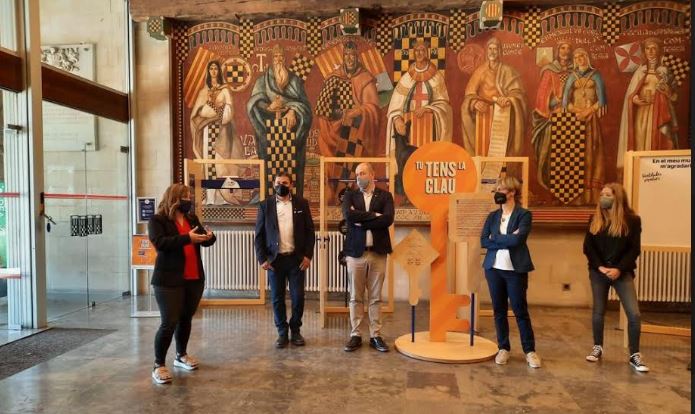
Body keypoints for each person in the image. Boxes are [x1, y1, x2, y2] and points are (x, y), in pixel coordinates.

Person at [148, 183, 216, 384]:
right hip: (168, 280)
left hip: (194, 277)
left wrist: (210, 237)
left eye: (189, 196)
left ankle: (181, 355)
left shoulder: (191, 218)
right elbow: (160, 243)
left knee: (186, 318)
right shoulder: (157, 220)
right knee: (169, 322)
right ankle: (158, 364)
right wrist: (187, 238)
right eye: (185, 196)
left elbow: (202, 240)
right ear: (174, 198)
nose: (189, 200)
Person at [582, 182, 649, 372]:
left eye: (608, 195)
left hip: (622, 272)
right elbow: (588, 247)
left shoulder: (633, 221)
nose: (603, 198)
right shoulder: (594, 219)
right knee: (598, 311)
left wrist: (619, 269)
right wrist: (600, 267)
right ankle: (597, 347)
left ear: (617, 198)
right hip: (599, 272)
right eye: (602, 194)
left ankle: (635, 354)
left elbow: (634, 249)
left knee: (634, 314)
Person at [480, 176, 541, 368]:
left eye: (501, 189)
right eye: (497, 189)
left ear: (512, 192)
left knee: (520, 310)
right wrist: (507, 238)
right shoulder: (492, 216)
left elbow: (518, 240)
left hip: (515, 271)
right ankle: (503, 348)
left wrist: (496, 238)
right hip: (494, 269)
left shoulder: (524, 215)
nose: (497, 193)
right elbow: (484, 241)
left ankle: (530, 351)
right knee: (499, 311)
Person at [254, 172, 315, 348]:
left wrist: (308, 256)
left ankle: (295, 330)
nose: (281, 185)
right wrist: (262, 259)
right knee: (277, 298)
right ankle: (282, 332)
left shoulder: (301, 204)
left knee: (298, 297)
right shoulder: (265, 205)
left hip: (296, 259)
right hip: (275, 261)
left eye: (285, 182)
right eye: (278, 182)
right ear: (274, 185)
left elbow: (310, 231)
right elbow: (258, 235)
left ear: (291, 185)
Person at [386, 39, 452, 197]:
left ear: (427, 52)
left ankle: (427, 195)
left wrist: (428, 108)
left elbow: (445, 105)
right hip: (409, 131)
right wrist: (397, 119)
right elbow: (394, 106)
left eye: (423, 50)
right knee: (407, 163)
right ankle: (408, 194)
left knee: (428, 162)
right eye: (417, 51)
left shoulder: (436, 77)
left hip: (430, 130)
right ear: (413, 54)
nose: (420, 53)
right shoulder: (406, 78)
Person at [247, 44, 313, 198]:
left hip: (292, 135)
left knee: (292, 171)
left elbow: (306, 107)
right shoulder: (263, 80)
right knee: (270, 171)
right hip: (269, 135)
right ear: (272, 59)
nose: (278, 59)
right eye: (276, 56)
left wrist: (293, 110)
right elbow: (253, 103)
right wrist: (268, 107)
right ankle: (270, 202)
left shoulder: (295, 81)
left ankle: (294, 202)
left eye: (281, 56)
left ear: (284, 59)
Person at [342, 163, 394, 353]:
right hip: (355, 253)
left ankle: (375, 335)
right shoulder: (350, 195)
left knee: (375, 297)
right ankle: (355, 334)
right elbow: (348, 216)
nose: (359, 177)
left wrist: (361, 220)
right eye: (357, 174)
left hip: (378, 252)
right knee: (355, 296)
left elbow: (387, 219)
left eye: (362, 173)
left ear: (372, 174)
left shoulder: (385, 196)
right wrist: (374, 216)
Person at [617, 38, 679, 169]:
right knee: (640, 139)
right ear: (644, 51)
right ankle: (641, 170)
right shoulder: (640, 71)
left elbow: (674, 97)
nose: (650, 51)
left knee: (660, 137)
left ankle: (657, 171)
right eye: (647, 48)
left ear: (659, 51)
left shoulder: (665, 71)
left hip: (660, 112)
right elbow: (631, 94)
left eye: (653, 48)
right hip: (642, 112)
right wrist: (634, 99)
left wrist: (666, 90)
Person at [461, 37, 527, 158]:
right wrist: (474, 103)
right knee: (484, 149)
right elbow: (469, 95)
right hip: (484, 115)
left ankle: (504, 170)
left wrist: (509, 99)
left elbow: (518, 93)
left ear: (500, 52)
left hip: (503, 113)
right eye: (490, 49)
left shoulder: (508, 71)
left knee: (501, 151)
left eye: (495, 49)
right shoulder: (480, 71)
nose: (492, 52)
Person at [190, 60, 242, 205]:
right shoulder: (203, 92)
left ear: (219, 71)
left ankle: (223, 197)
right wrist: (212, 109)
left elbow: (229, 110)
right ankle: (211, 197)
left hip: (222, 130)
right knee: (209, 162)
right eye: (211, 68)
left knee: (221, 163)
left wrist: (217, 112)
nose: (213, 71)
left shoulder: (225, 90)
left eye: (216, 68)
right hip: (207, 130)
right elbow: (199, 113)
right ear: (208, 72)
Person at [562, 48, 606, 204]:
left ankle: (591, 196)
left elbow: (602, 100)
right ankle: (576, 196)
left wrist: (588, 111)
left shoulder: (596, 75)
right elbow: (565, 102)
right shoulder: (571, 77)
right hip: (575, 120)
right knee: (575, 155)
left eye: (582, 56)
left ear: (587, 57)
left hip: (591, 118)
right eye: (576, 57)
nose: (579, 59)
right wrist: (578, 111)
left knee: (591, 152)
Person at [532, 41, 573, 190]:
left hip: (571, 116)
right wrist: (554, 102)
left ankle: (567, 183)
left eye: (568, 48)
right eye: (563, 48)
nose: (565, 51)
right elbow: (541, 98)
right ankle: (550, 181)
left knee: (570, 152)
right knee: (552, 150)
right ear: (558, 51)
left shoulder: (575, 71)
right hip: (552, 117)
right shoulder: (549, 70)